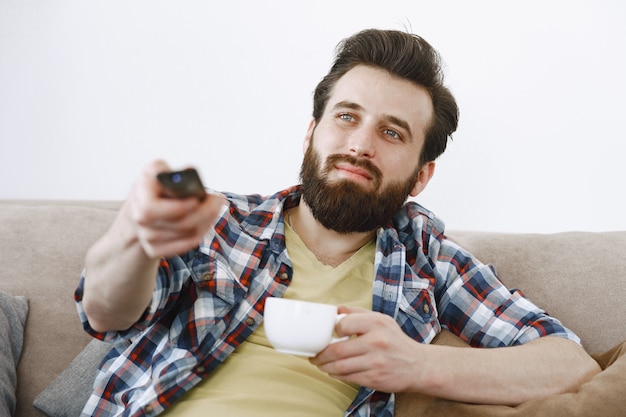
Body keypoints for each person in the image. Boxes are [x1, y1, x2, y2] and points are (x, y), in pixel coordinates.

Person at [75, 29, 600, 417]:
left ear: (421, 177)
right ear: (311, 133)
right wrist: (134, 241)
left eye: (392, 133)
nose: (360, 144)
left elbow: (569, 364)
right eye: (347, 117)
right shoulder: (217, 220)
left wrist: (416, 366)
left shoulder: (429, 260)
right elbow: (107, 313)